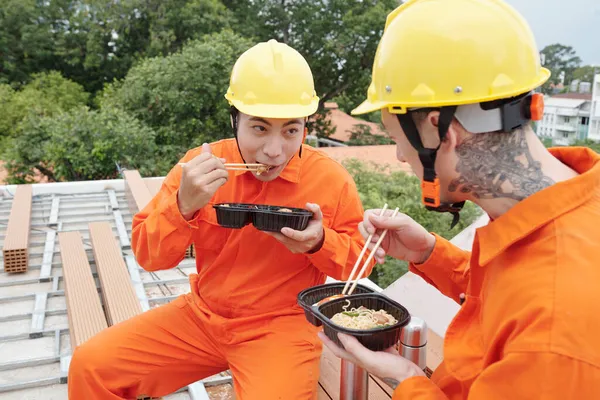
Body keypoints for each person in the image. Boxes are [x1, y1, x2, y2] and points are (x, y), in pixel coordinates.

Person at [319, 0, 600, 398]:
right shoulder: (558, 211)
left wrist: (406, 378)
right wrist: (429, 252)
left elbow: (536, 306)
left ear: (440, 133)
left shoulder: (553, 334)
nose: (400, 157)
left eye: (398, 141)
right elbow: (510, 296)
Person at [67, 39, 375, 399]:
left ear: (306, 125)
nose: (275, 150)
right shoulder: (200, 167)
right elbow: (149, 257)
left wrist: (321, 242)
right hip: (202, 317)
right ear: (235, 120)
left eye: (291, 130)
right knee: (91, 366)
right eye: (259, 128)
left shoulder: (330, 179)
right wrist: (183, 205)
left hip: (281, 328)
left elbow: (362, 264)